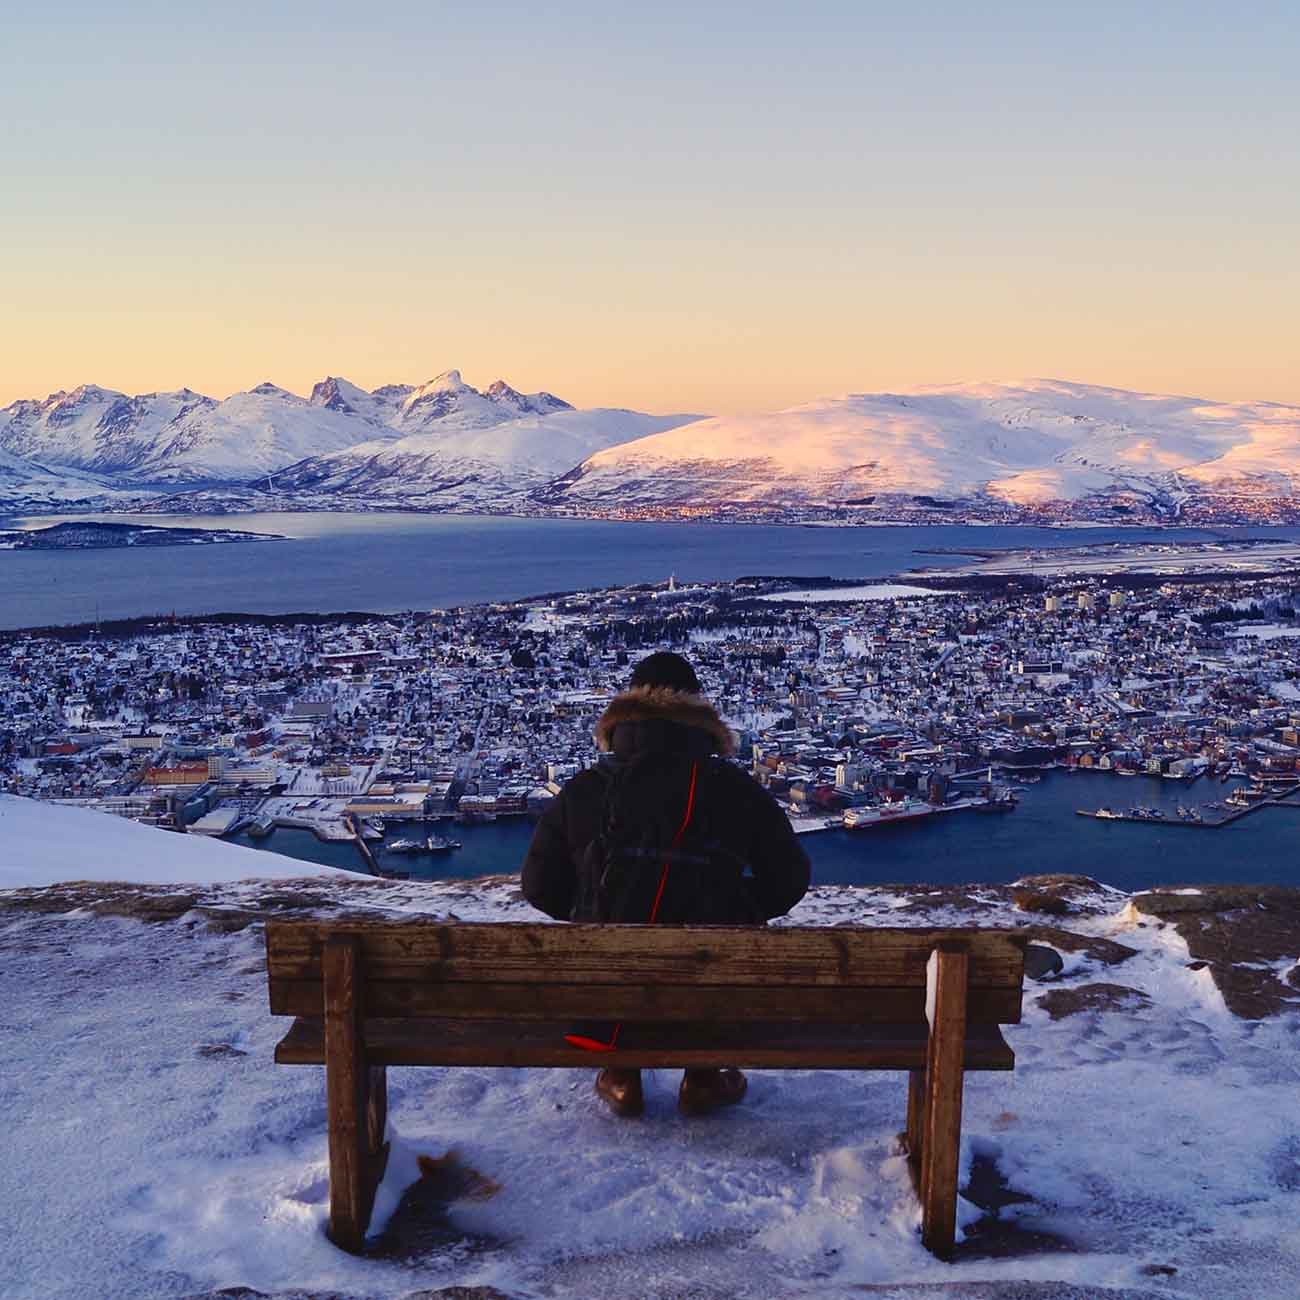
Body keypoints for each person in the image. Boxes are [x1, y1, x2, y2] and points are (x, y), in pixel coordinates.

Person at [521, 650, 810, 1117]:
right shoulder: (734, 790)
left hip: (608, 998)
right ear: (699, 714)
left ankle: (620, 1074)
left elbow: (538, 884)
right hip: (709, 997)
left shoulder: (586, 789)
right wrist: (736, 908)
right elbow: (790, 877)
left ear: (624, 714)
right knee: (703, 956)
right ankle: (702, 1076)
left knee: (619, 946)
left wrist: (591, 910)